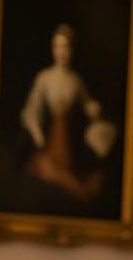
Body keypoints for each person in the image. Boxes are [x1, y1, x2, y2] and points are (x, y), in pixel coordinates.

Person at [20, 24, 114, 199]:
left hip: (69, 143)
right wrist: (38, 135)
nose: (62, 51)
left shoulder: (74, 81)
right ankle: (76, 187)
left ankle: (77, 186)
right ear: (53, 49)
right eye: (58, 46)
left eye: (66, 47)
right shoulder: (45, 78)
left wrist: (94, 110)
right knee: (52, 173)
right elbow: (31, 111)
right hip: (50, 139)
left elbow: (88, 106)